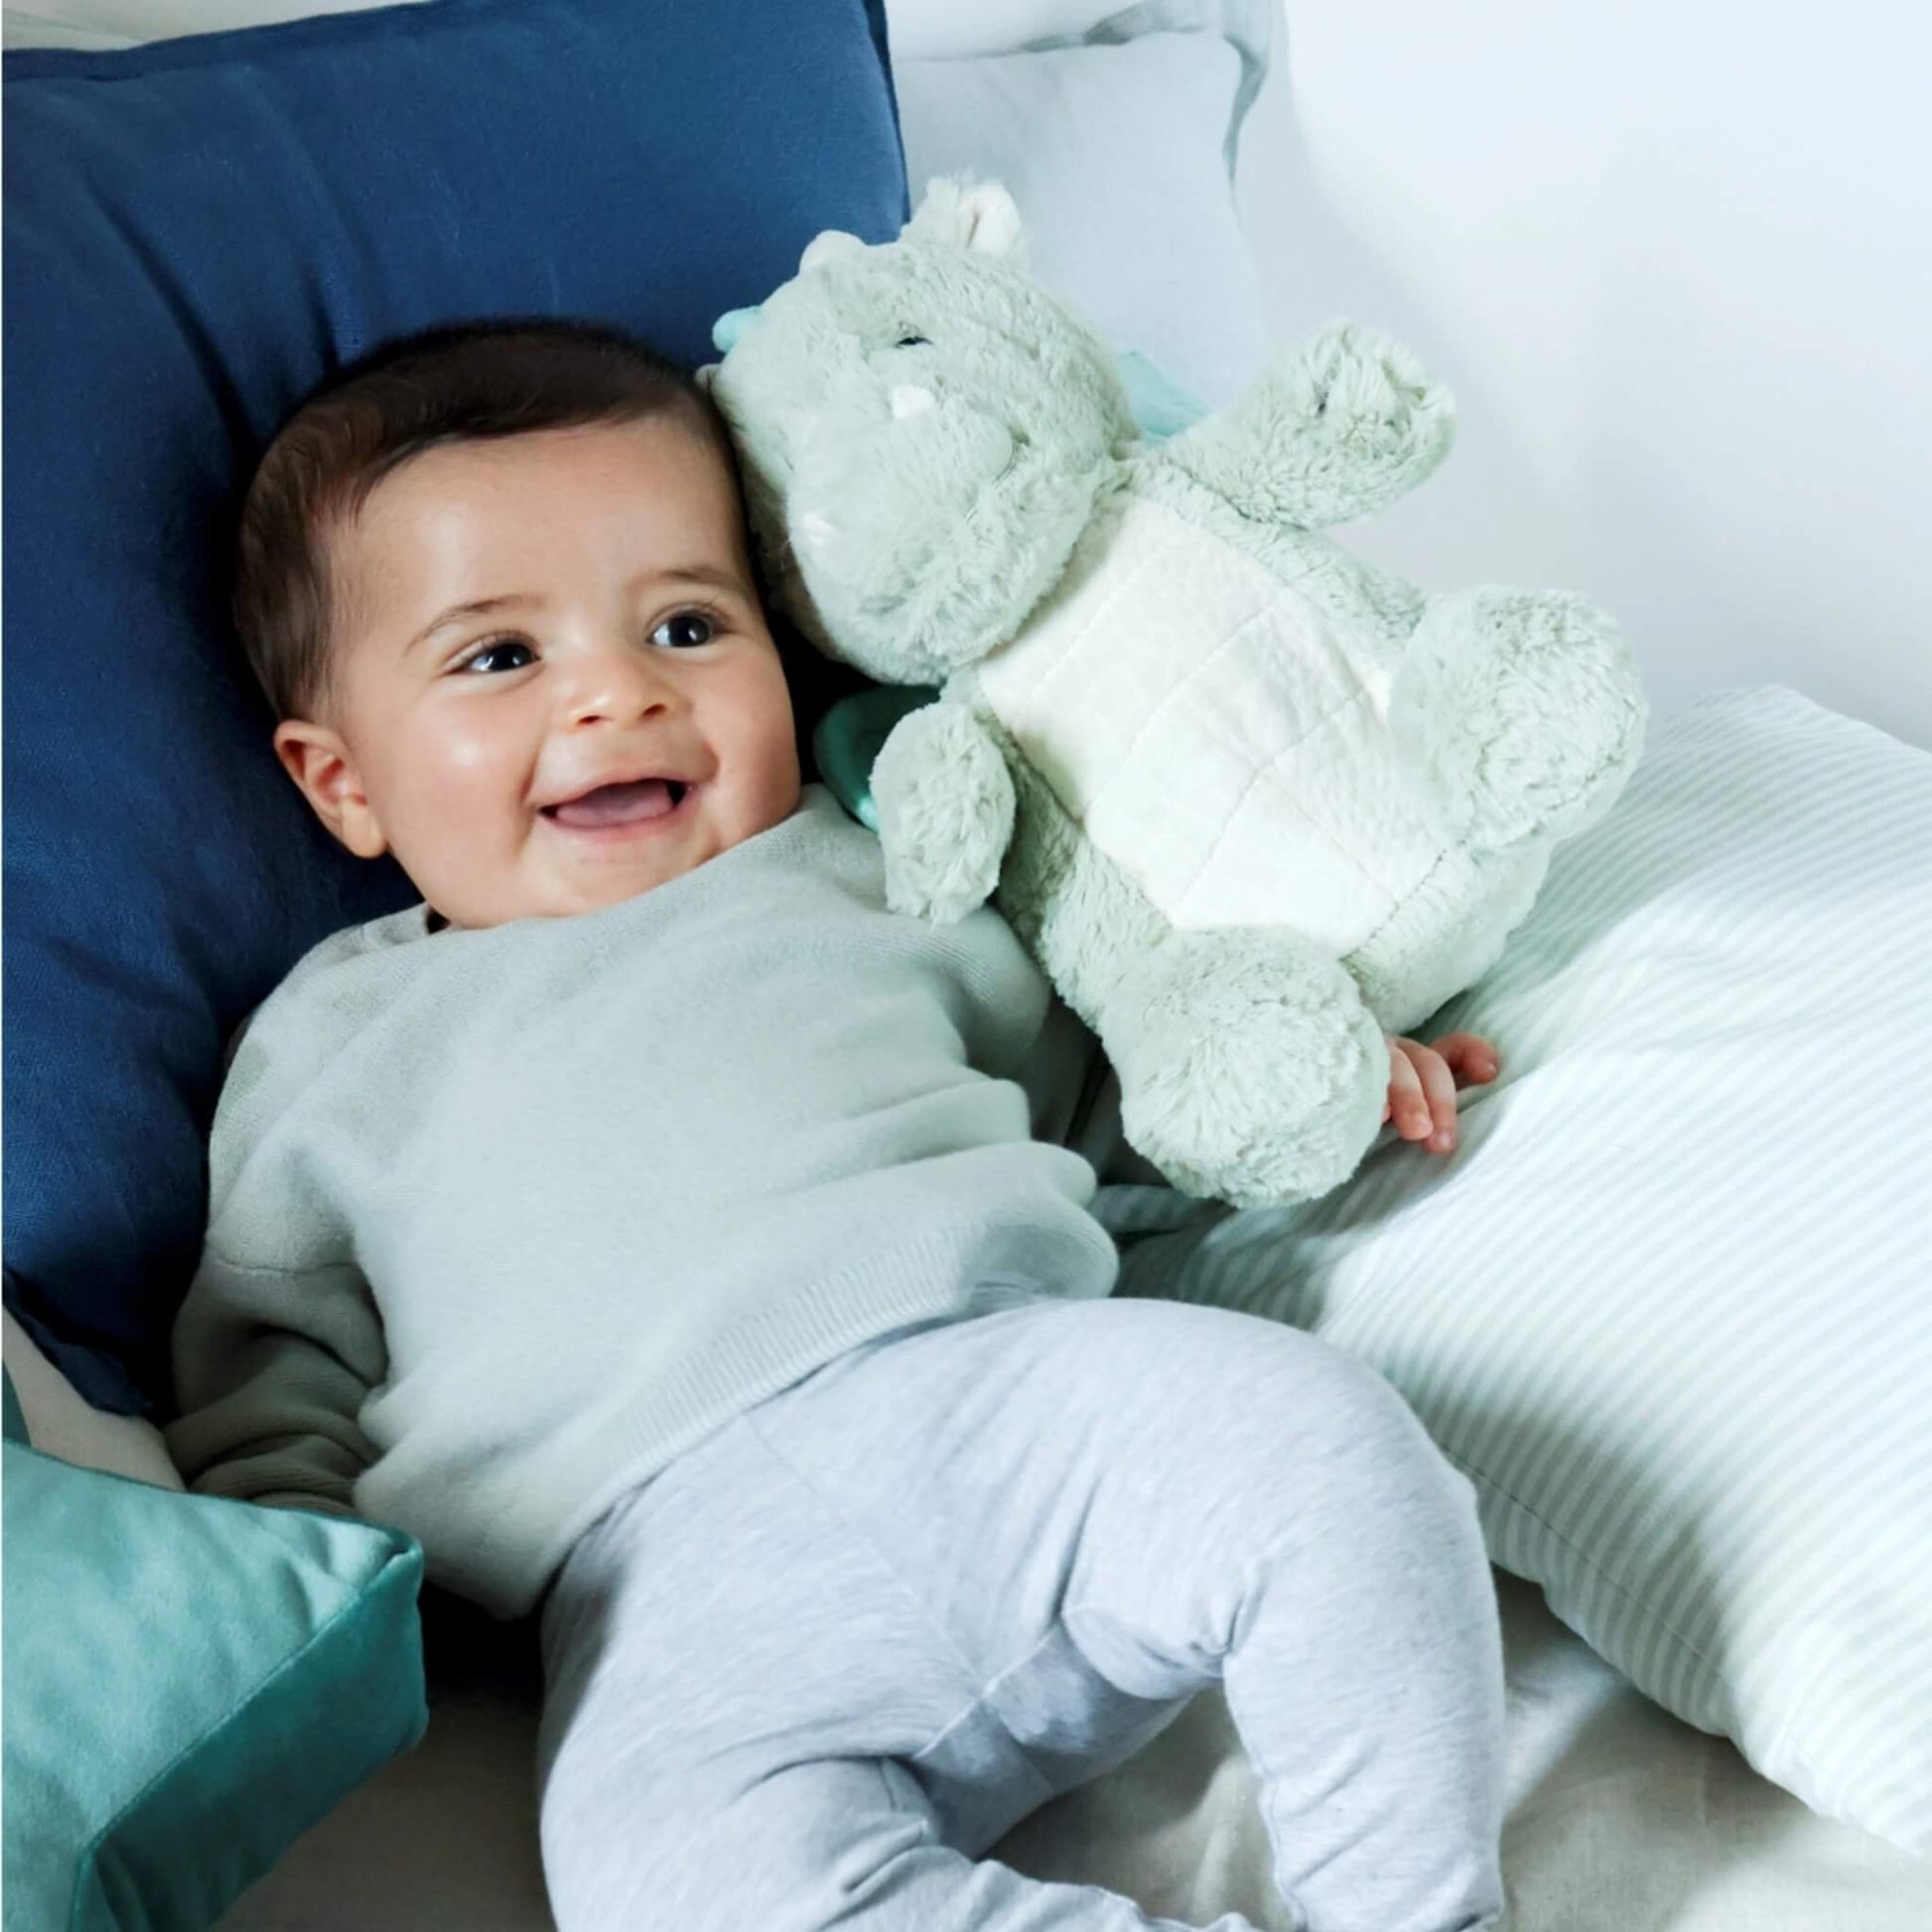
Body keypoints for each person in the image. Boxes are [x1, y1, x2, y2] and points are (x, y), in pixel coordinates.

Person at [165, 319, 1508, 1932]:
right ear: (341, 786)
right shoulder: (330, 1041)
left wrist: (1317, 1078)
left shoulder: (878, 867)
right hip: (656, 1589)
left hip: (1002, 1402)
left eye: (683, 620)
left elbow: (1119, 1089)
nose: (615, 694)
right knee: (658, 1888)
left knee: (1331, 1451)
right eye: (498, 657)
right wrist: (311, 1611)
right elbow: (269, 1371)